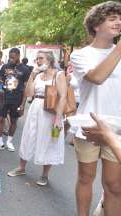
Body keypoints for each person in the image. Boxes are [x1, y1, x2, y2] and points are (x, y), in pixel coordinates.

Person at [70, 1, 121, 215]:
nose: (119, 22)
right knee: (85, 178)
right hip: (88, 126)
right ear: (96, 26)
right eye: (112, 18)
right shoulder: (80, 55)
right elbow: (97, 77)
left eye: (120, 18)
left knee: (114, 185)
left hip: (117, 127)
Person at [7, 50, 67, 186]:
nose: (38, 61)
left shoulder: (59, 74)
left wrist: (58, 118)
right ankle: (22, 168)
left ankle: (44, 175)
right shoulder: (38, 75)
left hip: (50, 112)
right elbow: (28, 93)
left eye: (41, 58)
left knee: (49, 140)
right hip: (35, 108)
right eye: (37, 58)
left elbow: (63, 96)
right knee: (29, 136)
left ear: (50, 60)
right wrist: (33, 74)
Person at [0, 48, 31, 152]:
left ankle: (9, 142)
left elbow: (26, 88)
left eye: (13, 57)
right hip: (4, 97)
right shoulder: (5, 67)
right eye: (9, 57)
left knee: (13, 121)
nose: (11, 59)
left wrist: (23, 104)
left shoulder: (25, 69)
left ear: (18, 56)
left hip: (17, 98)